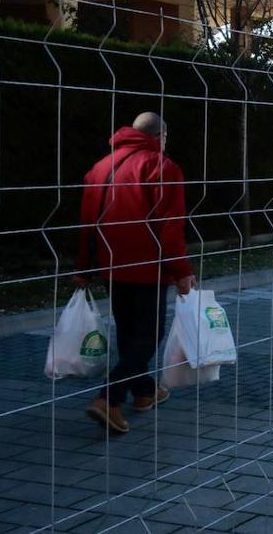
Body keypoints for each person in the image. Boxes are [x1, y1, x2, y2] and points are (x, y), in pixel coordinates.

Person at [75, 112, 196, 434]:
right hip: (148, 268)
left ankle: (144, 392)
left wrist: (83, 269)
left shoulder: (100, 168)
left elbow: (87, 223)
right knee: (148, 336)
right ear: (161, 137)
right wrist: (182, 272)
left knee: (129, 332)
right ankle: (108, 398)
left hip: (111, 265)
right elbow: (170, 228)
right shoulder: (161, 167)